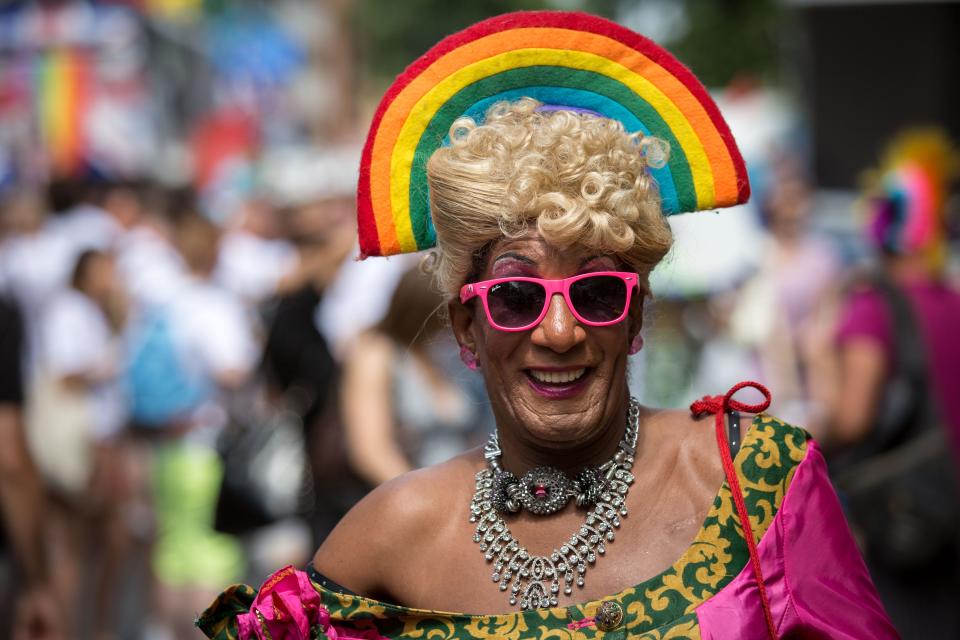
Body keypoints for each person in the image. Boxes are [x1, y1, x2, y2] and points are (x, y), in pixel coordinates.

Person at [198, 12, 895, 639]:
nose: (559, 331)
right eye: (514, 297)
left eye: (595, 293)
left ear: (637, 315)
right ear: (468, 325)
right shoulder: (393, 535)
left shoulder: (754, 480)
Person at [807, 129, 960, 638]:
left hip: (906, 522)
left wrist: (819, 364)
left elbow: (853, 417)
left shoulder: (873, 306)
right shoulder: (951, 300)